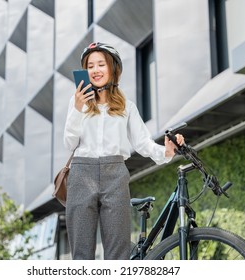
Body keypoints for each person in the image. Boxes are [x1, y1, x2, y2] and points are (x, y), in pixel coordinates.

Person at [63, 42, 185, 260]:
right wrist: (77, 109)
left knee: (118, 253)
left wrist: (166, 152)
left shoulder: (126, 106)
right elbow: (69, 143)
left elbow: (142, 143)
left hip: (115, 175)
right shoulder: (77, 103)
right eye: (90, 66)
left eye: (101, 64)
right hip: (81, 174)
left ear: (113, 69)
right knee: (81, 254)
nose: (95, 70)